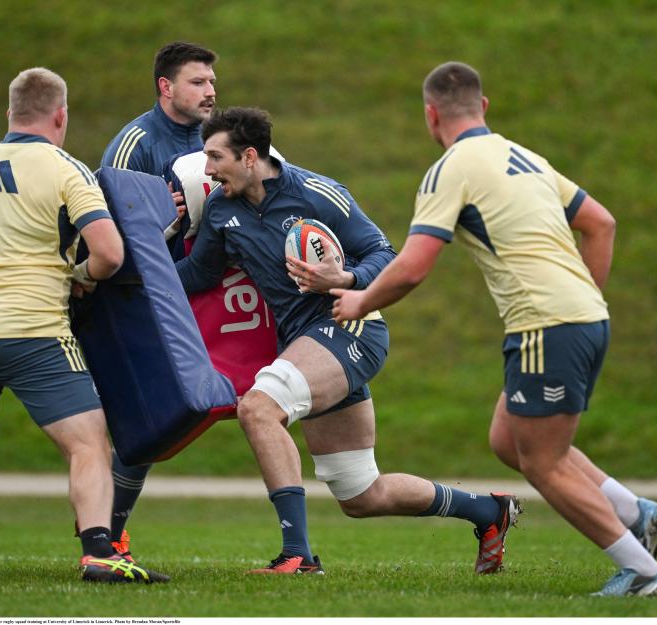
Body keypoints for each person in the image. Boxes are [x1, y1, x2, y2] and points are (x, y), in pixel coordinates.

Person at [331, 61, 657, 596]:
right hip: (581, 316)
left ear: (430, 115)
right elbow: (600, 223)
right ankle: (635, 510)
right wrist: (584, 298)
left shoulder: (451, 169)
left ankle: (644, 571)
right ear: (483, 107)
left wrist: (361, 300)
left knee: (542, 461)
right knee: (507, 439)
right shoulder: (525, 157)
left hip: (547, 325)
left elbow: (415, 264)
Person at [177, 106, 522, 575]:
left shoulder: (317, 193)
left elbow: (384, 253)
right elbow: (199, 274)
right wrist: (133, 275)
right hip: (306, 346)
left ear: (250, 156)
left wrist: (346, 277)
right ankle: (488, 512)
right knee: (360, 493)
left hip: (349, 327)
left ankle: (297, 556)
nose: (208, 169)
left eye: (216, 157)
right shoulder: (220, 208)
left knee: (258, 408)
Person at [0, 67, 168, 584]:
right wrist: (77, 275)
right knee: (89, 444)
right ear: (61, 115)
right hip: (32, 331)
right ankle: (99, 551)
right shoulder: (66, 170)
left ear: (10, 113)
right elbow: (110, 255)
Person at [98, 41, 218, 560]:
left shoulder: (221, 138)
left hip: (208, 290)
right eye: (198, 82)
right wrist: (149, 217)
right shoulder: (135, 144)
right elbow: (103, 228)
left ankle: (296, 545)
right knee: (145, 424)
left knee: (265, 407)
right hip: (148, 301)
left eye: (212, 81)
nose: (210, 91)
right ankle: (109, 534)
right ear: (165, 87)